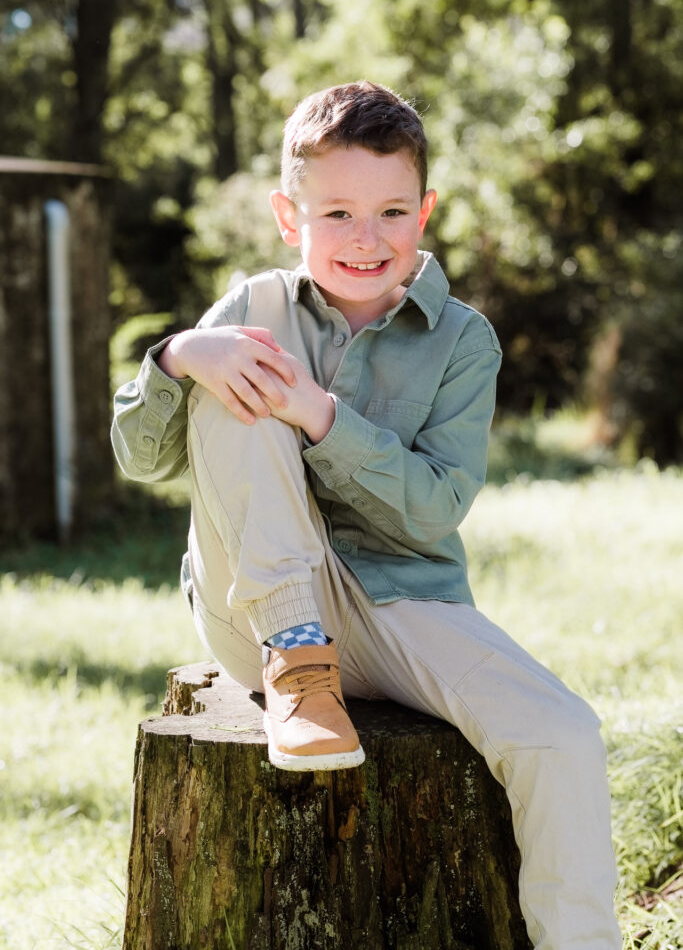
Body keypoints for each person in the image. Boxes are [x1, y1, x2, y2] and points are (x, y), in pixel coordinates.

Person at [112, 81, 622, 948]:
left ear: (422, 214)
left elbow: (434, 513)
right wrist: (181, 353)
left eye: (390, 211)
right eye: (337, 213)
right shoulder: (255, 308)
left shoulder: (462, 339)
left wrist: (323, 419)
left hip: (402, 605)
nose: (365, 237)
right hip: (258, 615)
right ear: (288, 216)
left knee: (562, 734)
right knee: (233, 382)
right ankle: (299, 669)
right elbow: (142, 457)